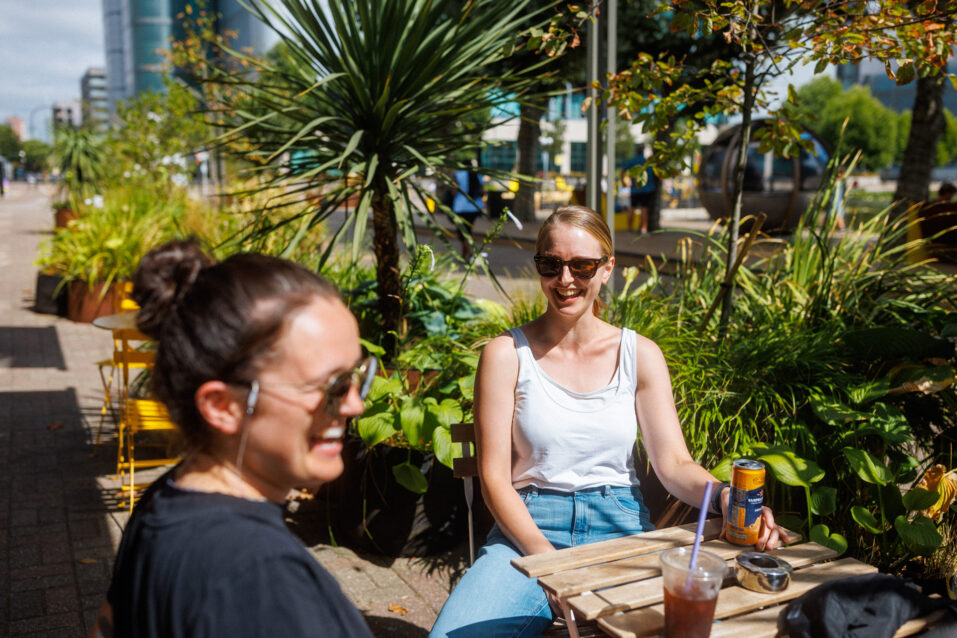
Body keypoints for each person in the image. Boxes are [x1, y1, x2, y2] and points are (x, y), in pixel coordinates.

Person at [429, 205, 792, 638]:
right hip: (528, 530)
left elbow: (674, 464)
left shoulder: (641, 355)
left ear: (607, 269)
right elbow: (493, 478)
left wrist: (727, 499)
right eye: (551, 264)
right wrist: (549, 564)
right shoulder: (506, 355)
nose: (565, 279)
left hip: (620, 531)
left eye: (582, 265)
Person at [90, 239, 376, 638]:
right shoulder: (262, 584)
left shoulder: (164, 500)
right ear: (223, 406)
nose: (353, 406)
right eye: (333, 386)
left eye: (359, 376)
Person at [452, 164, 485, 260]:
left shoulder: (458, 175)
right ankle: (463, 255)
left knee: (462, 232)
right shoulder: (478, 175)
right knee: (468, 231)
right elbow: (482, 192)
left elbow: (454, 192)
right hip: (475, 207)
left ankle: (470, 253)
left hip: (461, 207)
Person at [620, 149, 655, 233]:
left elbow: (622, 170)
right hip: (646, 190)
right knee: (644, 209)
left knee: (632, 208)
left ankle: (629, 229)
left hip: (635, 189)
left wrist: (623, 182)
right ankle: (643, 229)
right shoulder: (647, 162)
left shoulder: (632, 161)